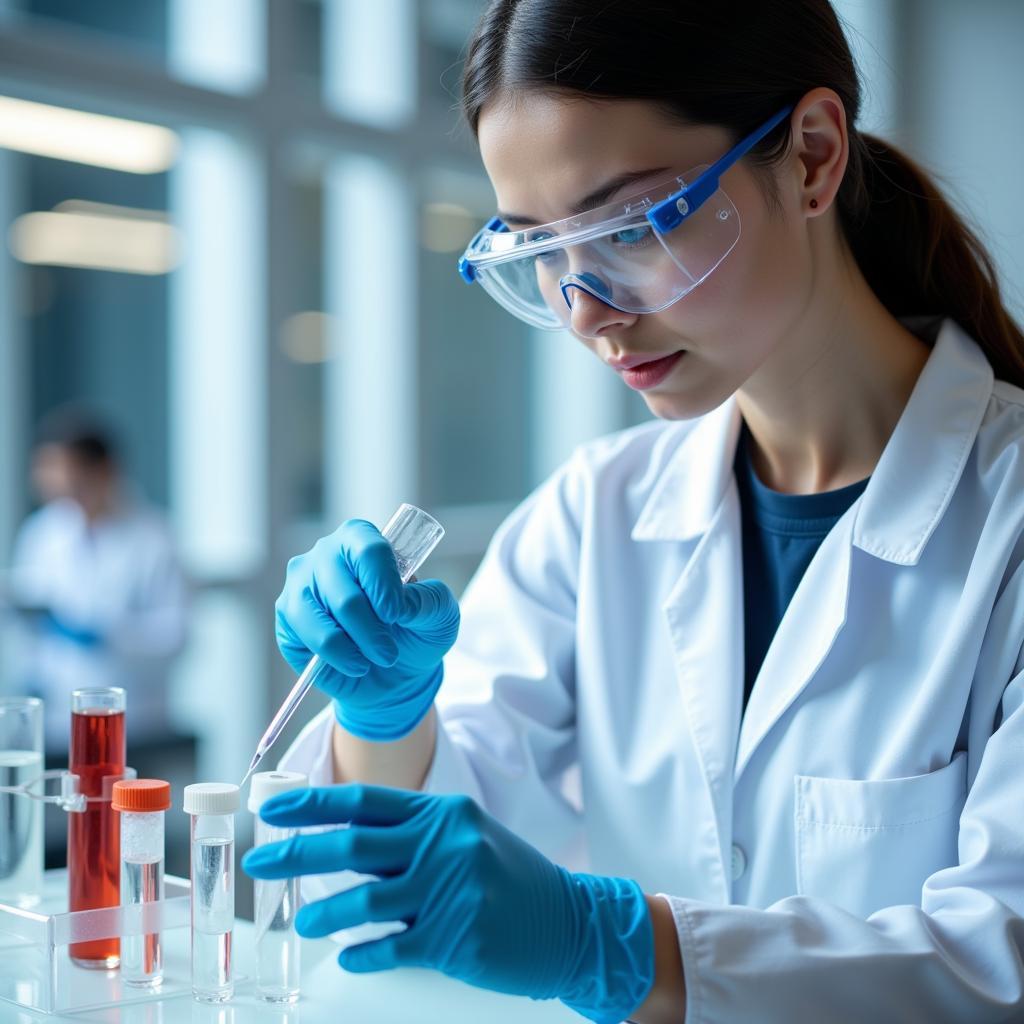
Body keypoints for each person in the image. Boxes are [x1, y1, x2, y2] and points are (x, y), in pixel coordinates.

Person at [242, 2, 1024, 1021]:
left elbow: (996, 961)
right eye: (540, 251)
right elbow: (398, 885)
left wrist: (613, 945)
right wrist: (384, 715)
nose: (587, 310)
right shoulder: (594, 514)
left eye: (631, 225)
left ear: (811, 157)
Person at [4, 407, 188, 750]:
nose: (62, 491)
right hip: (59, 719)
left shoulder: (154, 538)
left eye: (72, 477)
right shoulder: (43, 532)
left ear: (105, 470)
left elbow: (175, 637)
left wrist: (105, 634)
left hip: (136, 720)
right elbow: (30, 621)